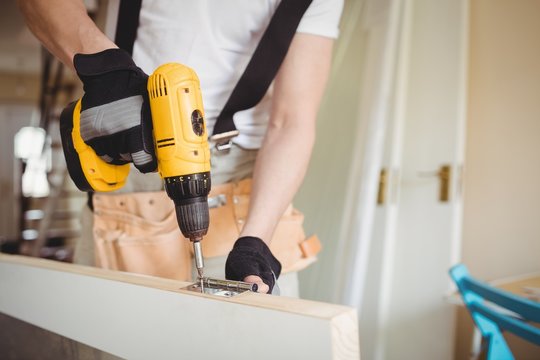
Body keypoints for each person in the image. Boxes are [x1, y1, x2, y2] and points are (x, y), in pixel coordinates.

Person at [18, 0, 343, 295]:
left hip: (251, 192)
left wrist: (255, 241)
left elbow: (292, 121)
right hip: (132, 161)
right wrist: (105, 69)